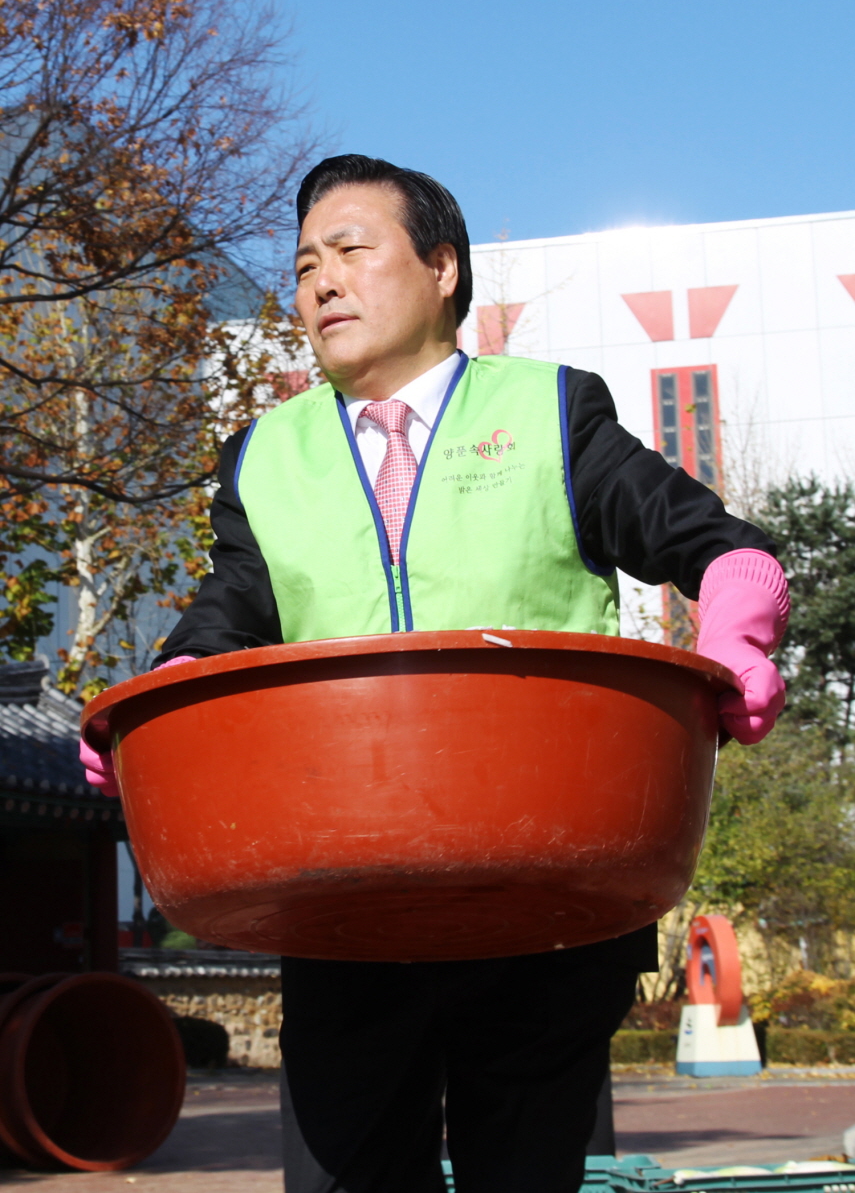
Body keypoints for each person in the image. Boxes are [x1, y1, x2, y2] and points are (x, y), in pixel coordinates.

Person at [82, 155, 789, 1193]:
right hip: (345, 902)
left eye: (352, 251)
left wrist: (737, 638)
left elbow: (722, 548)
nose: (320, 282)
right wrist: (153, 715)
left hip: (547, 882)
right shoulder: (265, 457)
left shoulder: (555, 413)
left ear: (443, 268)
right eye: (304, 265)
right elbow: (225, 614)